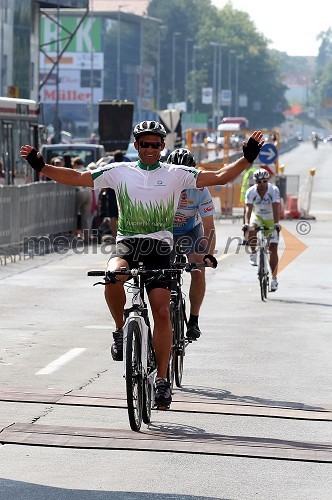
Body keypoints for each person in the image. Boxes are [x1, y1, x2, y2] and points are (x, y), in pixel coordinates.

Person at [20, 120, 264, 408]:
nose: (150, 149)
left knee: (161, 311)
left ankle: (162, 381)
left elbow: (222, 176)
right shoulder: (119, 171)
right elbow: (77, 177)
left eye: (156, 144)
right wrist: (41, 167)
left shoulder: (177, 174)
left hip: (160, 247)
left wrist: (247, 157)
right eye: (144, 144)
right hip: (128, 244)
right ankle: (120, 329)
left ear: (163, 147)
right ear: (136, 145)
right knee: (113, 277)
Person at [167, 148, 216, 341]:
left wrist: (209, 255)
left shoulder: (201, 189)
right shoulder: (161, 185)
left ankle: (193, 320)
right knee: (158, 273)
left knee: (198, 269)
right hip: (166, 232)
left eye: (186, 174)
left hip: (190, 232)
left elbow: (209, 226)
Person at [242, 168, 280, 292]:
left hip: (270, 217)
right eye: (259, 182)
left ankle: (274, 279)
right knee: (251, 228)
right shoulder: (250, 191)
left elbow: (276, 208)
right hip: (257, 216)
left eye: (264, 181)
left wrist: (276, 224)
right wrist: (246, 224)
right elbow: (248, 210)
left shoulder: (273, 190)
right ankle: (253, 252)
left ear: (267, 181)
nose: (262, 184)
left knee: (273, 248)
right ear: (255, 182)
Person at [72, 156, 93, 243]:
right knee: (86, 217)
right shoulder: (87, 170)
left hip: (79, 192)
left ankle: (74, 235)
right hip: (89, 193)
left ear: (76, 164)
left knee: (74, 214)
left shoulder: (75, 171)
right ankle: (87, 238)